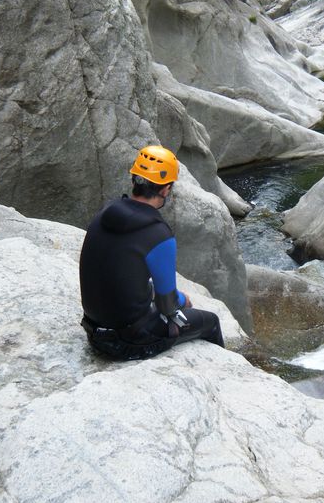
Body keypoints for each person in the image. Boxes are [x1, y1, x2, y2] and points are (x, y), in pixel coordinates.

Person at [79, 144, 224, 359]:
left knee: (147, 288)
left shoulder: (105, 212)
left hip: (94, 330)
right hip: (129, 341)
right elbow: (168, 306)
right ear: (165, 189)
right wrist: (183, 300)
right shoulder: (159, 234)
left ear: (134, 180)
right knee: (211, 321)